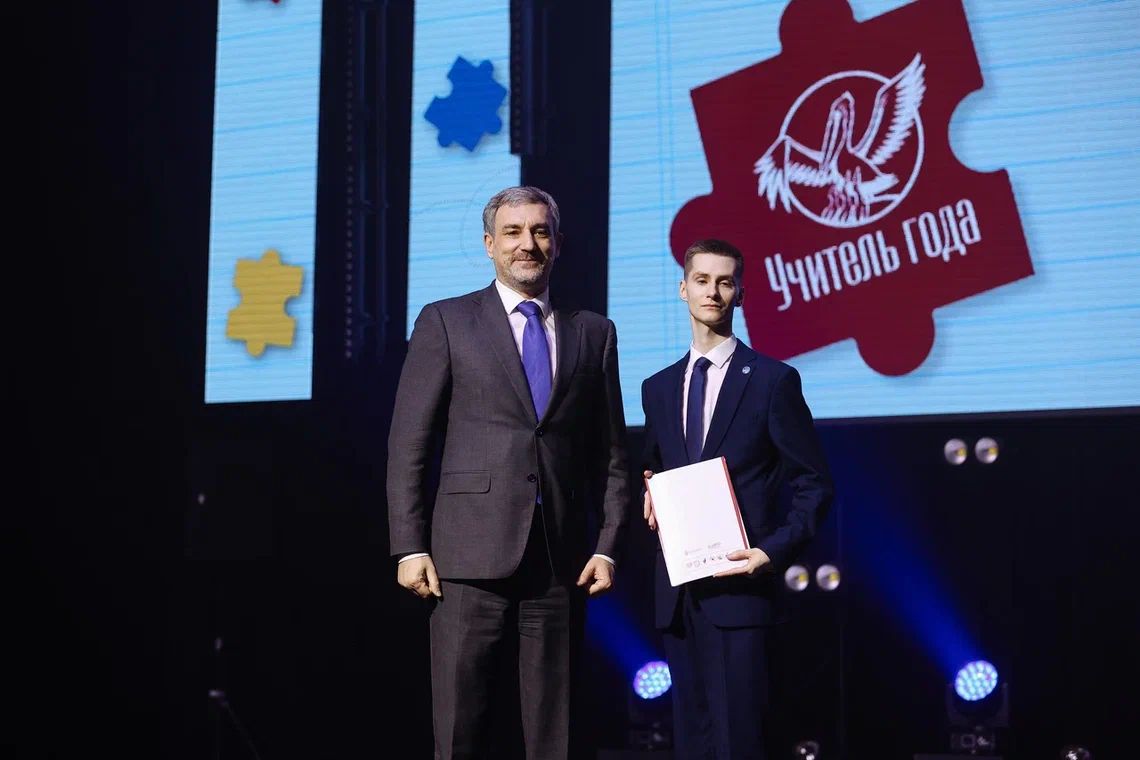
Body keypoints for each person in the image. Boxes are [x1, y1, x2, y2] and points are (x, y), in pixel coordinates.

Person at [387, 186, 631, 760]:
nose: (528, 244)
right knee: (460, 732)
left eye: (540, 232)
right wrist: (409, 545)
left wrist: (608, 547)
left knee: (555, 736)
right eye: (514, 232)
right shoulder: (446, 321)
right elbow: (409, 443)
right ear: (489, 244)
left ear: (558, 243)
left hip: (560, 562)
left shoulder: (594, 332)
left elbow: (613, 455)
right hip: (464, 560)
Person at [640, 238, 834, 759]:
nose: (713, 291)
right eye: (702, 280)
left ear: (740, 294)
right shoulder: (657, 388)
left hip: (742, 593)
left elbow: (814, 483)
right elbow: (655, 466)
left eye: (725, 282)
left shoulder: (773, 381)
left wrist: (771, 552)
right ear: (683, 289)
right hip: (679, 597)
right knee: (692, 746)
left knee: (740, 744)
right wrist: (649, 490)